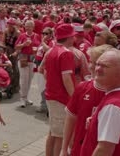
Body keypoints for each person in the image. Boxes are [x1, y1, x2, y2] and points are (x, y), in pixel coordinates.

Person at [80, 49, 120, 156]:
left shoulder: (114, 106)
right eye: (98, 64)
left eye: (105, 66)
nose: (98, 69)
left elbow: (104, 150)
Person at [61, 44, 113, 156]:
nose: (91, 67)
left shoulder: (117, 92)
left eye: (97, 63)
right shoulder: (82, 87)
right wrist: (64, 149)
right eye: (91, 62)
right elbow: (70, 119)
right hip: (79, 149)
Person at [42, 24, 76, 156]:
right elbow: (66, 78)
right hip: (60, 98)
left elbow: (44, 73)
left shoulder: (51, 50)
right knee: (60, 137)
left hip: (52, 96)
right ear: (69, 37)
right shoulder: (66, 53)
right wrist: (74, 98)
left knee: (53, 132)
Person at [14, 20, 40, 108]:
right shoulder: (22, 35)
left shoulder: (36, 36)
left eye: (30, 26)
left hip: (32, 59)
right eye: (26, 26)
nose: (28, 28)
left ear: (33, 27)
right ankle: (22, 98)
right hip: (23, 58)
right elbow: (16, 46)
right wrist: (24, 44)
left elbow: (39, 46)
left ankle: (26, 97)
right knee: (24, 79)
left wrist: (37, 51)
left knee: (29, 79)